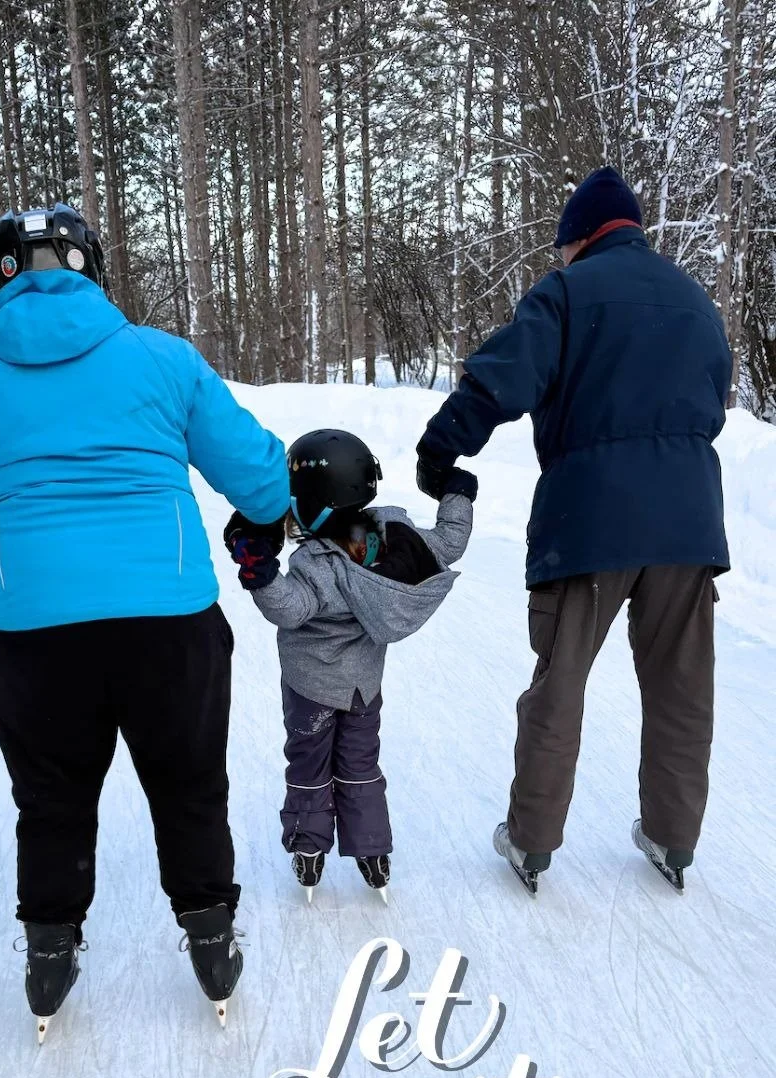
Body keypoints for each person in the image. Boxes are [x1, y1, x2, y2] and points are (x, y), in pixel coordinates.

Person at [0, 204, 289, 1038]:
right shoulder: (162, 359)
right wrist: (267, 513)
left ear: (0, 276)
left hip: (33, 635)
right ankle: (211, 936)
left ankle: (49, 953)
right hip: (169, 622)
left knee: (52, 796)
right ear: (91, 267)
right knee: (187, 784)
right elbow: (259, 477)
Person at [415, 165, 732, 892]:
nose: (559, 258)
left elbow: (504, 376)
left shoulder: (569, 291)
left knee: (561, 683)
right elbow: (711, 400)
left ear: (581, 236)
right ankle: (673, 839)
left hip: (589, 518)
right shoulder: (695, 301)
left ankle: (531, 840)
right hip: (689, 524)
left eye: (563, 245)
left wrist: (443, 448)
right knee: (683, 689)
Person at [223, 429, 475, 901]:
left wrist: (258, 572)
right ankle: (372, 852)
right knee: (360, 763)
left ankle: (309, 847)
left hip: (310, 689)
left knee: (309, 763)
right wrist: (456, 492)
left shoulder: (317, 563)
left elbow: (290, 608)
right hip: (364, 688)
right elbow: (450, 541)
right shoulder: (392, 541)